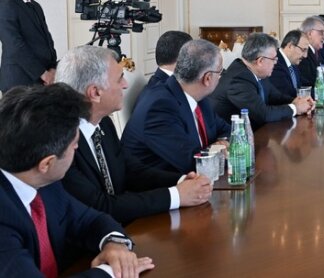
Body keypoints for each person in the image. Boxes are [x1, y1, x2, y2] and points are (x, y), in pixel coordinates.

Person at [0, 84, 154, 278]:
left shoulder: (43, 182)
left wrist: (114, 244)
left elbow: (89, 219)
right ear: (46, 163)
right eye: (74, 146)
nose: (77, 150)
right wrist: (112, 271)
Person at [56, 46, 212, 225]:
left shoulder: (103, 122)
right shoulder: (62, 142)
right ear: (95, 93)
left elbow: (128, 169)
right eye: (119, 79)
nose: (125, 85)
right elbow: (100, 206)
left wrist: (181, 181)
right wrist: (176, 195)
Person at [122, 40, 230, 174]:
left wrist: (221, 144)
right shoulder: (159, 108)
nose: (220, 77)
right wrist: (223, 153)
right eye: (220, 72)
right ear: (207, 78)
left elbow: (227, 130)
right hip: (164, 184)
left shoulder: (199, 98)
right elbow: (193, 163)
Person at [210, 33, 313, 131]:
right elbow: (264, 114)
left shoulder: (255, 72)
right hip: (233, 138)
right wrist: (295, 108)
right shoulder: (238, 80)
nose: (276, 62)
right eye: (273, 59)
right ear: (260, 61)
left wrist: (298, 101)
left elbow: (275, 96)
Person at [0, 0, 58, 93]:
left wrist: (52, 69)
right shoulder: (4, 6)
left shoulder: (36, 6)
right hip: (19, 82)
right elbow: (15, 46)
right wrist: (43, 74)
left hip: (42, 80)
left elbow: (47, 40)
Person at [268, 30, 312, 99]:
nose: (305, 55)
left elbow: (303, 85)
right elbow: (287, 93)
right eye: (303, 50)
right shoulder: (275, 62)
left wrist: (322, 90)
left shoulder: (293, 63)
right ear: (290, 46)